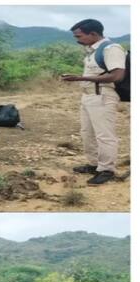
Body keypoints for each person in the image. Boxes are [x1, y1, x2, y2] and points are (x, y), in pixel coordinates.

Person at [62, 19, 126, 186]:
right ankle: (94, 164)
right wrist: (81, 79)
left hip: (102, 96)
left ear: (94, 34)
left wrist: (80, 78)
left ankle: (107, 170)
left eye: (79, 36)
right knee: (87, 133)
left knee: (104, 135)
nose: (77, 39)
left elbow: (117, 75)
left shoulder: (112, 49)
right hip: (89, 96)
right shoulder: (92, 50)